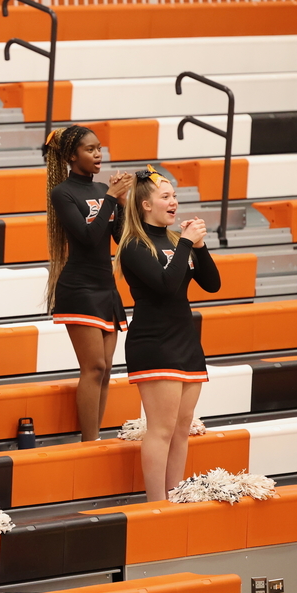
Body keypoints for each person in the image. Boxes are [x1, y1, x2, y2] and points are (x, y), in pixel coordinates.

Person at [115, 166, 220, 502]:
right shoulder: (134, 245)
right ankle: (156, 505)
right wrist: (187, 243)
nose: (174, 202)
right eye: (166, 196)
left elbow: (213, 284)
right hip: (154, 342)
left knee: (181, 428)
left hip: (186, 340)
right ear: (146, 205)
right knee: (161, 429)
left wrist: (199, 246)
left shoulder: (176, 241)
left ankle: (175, 498)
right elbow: (165, 285)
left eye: (174, 195)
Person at [45, 125, 133, 442]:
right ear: (72, 155)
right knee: (93, 367)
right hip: (79, 287)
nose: (98, 154)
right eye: (90, 149)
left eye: (99, 148)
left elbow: (119, 238)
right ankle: (89, 440)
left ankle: (94, 439)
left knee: (106, 369)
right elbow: (86, 237)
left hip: (106, 287)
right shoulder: (63, 193)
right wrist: (110, 197)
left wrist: (122, 202)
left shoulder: (101, 190)